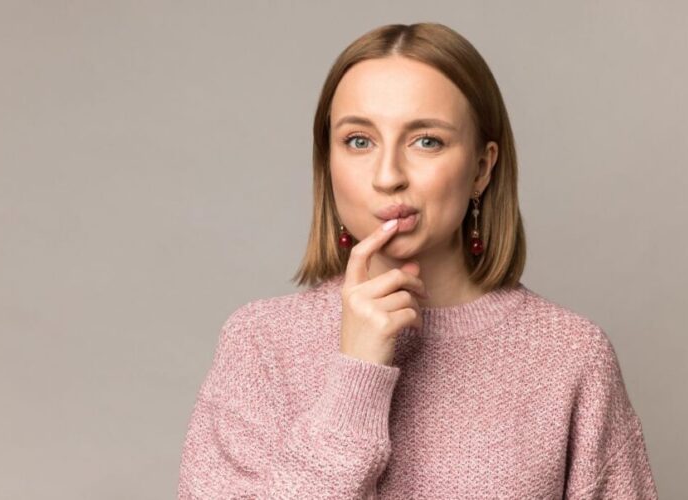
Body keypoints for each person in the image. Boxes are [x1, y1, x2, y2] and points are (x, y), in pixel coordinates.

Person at [177, 22, 658, 499]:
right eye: (359, 141)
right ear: (328, 163)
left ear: (482, 168)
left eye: (426, 140)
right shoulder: (261, 345)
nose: (388, 176)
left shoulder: (570, 356)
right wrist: (356, 379)